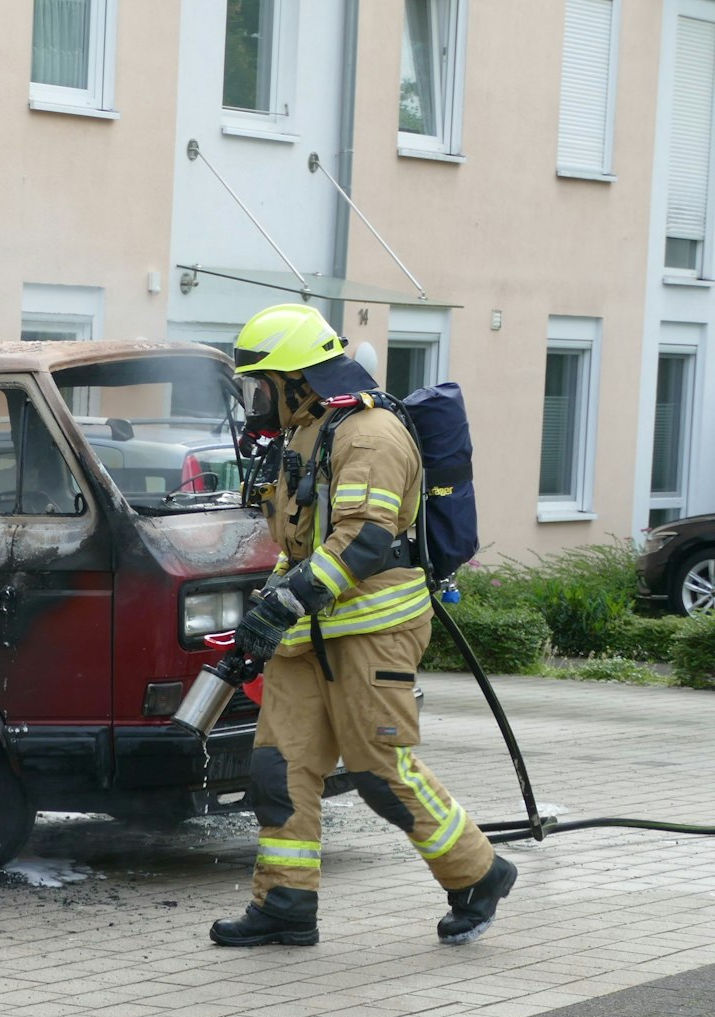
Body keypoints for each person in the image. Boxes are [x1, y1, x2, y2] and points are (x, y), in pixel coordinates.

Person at [212, 303, 517, 948]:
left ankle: (478, 873)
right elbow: (300, 544)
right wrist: (267, 618)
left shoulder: (370, 435)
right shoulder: (306, 431)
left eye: (260, 385)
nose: (255, 400)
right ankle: (285, 905)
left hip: (373, 627)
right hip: (310, 631)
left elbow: (364, 540)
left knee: (380, 772)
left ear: (297, 379)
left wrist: (286, 602)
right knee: (277, 769)